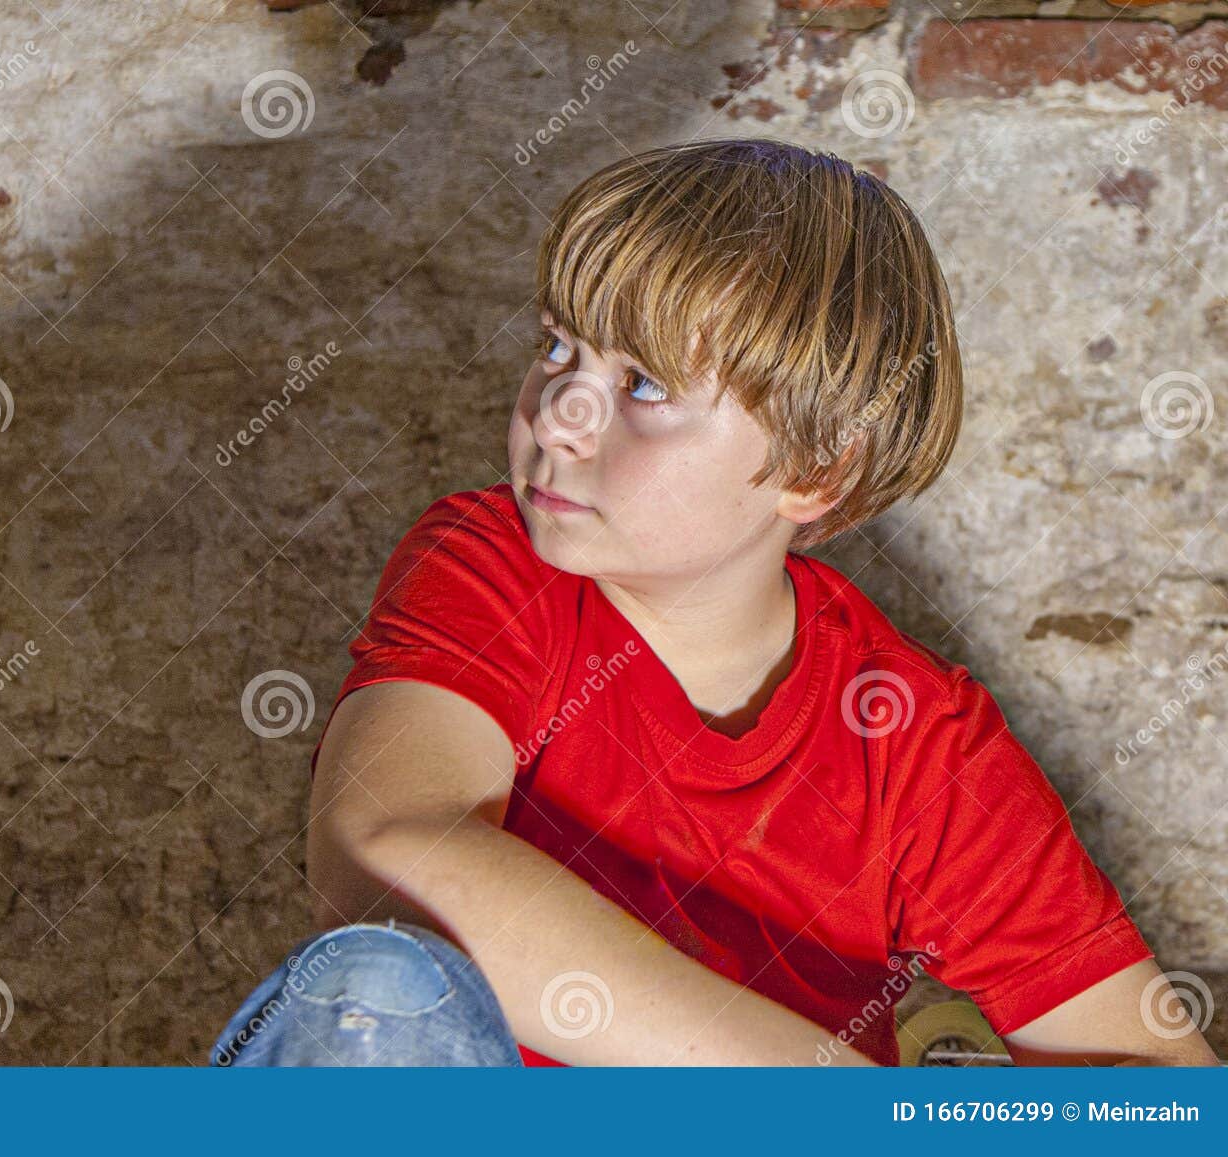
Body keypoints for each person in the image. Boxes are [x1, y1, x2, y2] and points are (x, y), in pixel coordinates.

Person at [213, 137, 1220, 1068]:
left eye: (642, 383)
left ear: (816, 469)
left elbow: (1166, 1089)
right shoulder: (489, 566)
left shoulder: (916, 741)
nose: (558, 412)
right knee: (375, 984)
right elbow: (387, 846)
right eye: (558, 346)